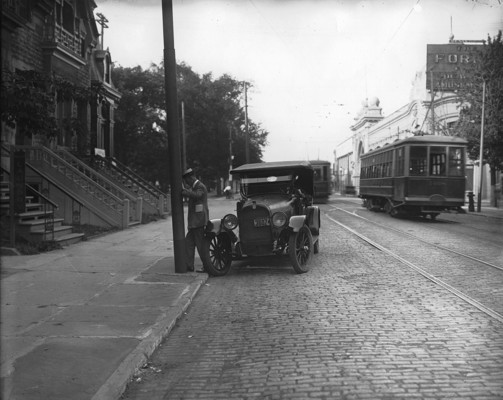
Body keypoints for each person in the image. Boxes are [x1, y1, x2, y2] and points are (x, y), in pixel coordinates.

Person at [181, 168, 211, 273]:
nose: (187, 183)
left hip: (199, 222)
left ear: (191, 177)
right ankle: (189, 265)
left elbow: (197, 195)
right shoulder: (195, 187)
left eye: (187, 181)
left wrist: (184, 191)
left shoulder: (200, 186)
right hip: (194, 222)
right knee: (188, 243)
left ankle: (207, 266)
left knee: (200, 246)